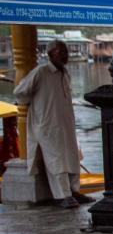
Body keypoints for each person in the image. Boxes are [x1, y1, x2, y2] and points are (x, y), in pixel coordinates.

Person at [13, 40, 93, 209]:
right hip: (48, 124)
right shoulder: (41, 72)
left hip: (66, 123)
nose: (65, 55)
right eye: (61, 52)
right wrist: (32, 102)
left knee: (72, 157)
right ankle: (62, 195)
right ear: (51, 54)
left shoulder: (65, 73)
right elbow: (20, 92)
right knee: (56, 161)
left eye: (66, 52)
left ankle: (74, 191)